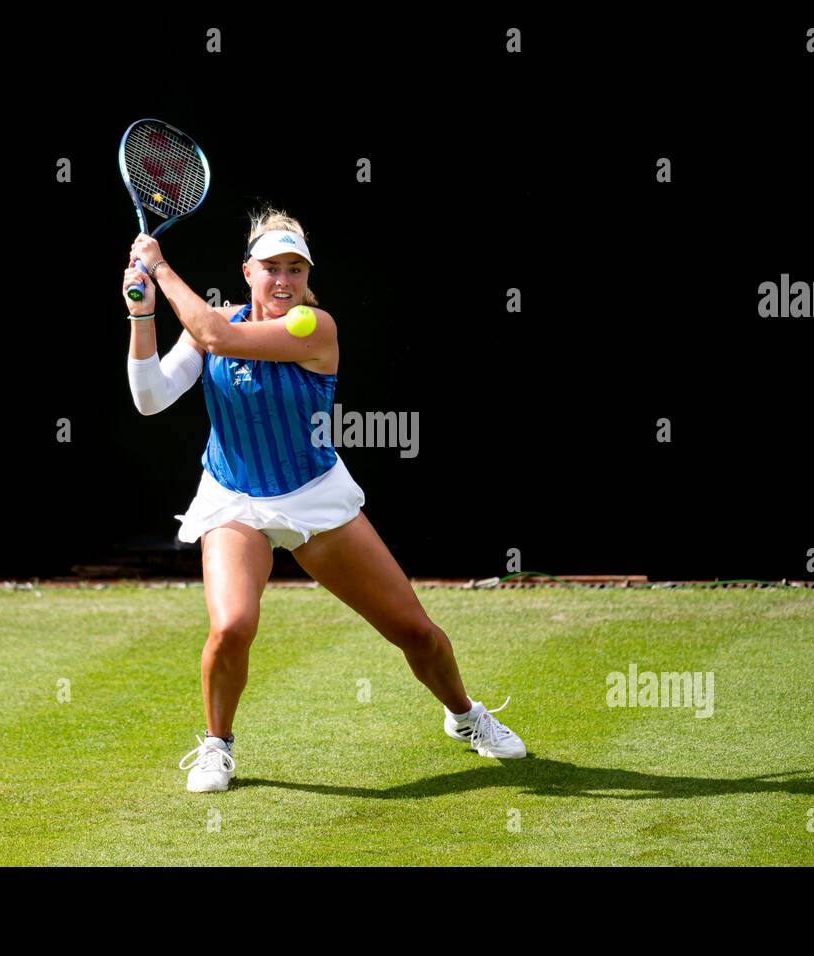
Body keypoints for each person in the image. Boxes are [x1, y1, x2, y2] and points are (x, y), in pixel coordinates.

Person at [124, 207, 525, 792]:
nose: (283, 281)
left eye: (295, 269)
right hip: (234, 496)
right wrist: (141, 314)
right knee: (232, 625)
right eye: (271, 269)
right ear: (247, 272)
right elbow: (151, 399)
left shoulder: (315, 328)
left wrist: (157, 268)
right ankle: (217, 745)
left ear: (307, 276)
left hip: (314, 496)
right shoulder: (208, 323)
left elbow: (218, 335)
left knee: (414, 631)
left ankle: (465, 715)